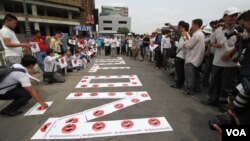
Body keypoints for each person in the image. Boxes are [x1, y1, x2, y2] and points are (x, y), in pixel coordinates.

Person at [201, 7, 240, 112]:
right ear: (224, 17)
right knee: (214, 82)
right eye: (231, 16)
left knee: (226, 85)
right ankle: (212, 99)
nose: (233, 18)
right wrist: (215, 45)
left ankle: (223, 104)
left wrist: (230, 52)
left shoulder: (238, 30)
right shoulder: (218, 30)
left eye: (235, 16)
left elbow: (240, 45)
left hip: (230, 63)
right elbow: (210, 41)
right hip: (217, 61)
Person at [182, 19, 205, 95]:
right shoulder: (201, 34)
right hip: (198, 58)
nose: (191, 27)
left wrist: (185, 38)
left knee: (190, 76)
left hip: (192, 58)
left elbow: (189, 45)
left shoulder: (196, 34)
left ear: (195, 25)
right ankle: (197, 88)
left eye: (192, 25)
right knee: (196, 75)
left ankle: (189, 90)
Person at [171, 21, 190, 89]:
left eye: (180, 27)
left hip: (180, 55)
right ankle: (180, 84)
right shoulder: (188, 35)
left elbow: (181, 45)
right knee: (181, 71)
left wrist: (175, 42)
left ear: (183, 28)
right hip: (184, 55)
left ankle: (178, 85)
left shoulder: (184, 34)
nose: (179, 29)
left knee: (179, 71)